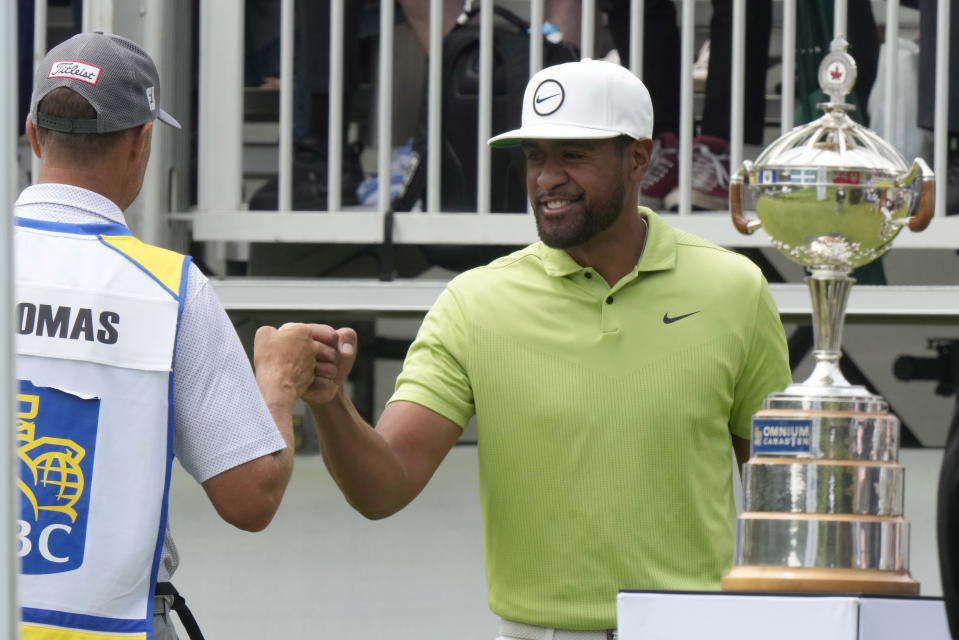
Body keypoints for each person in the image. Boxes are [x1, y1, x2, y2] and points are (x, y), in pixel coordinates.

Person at [301, 59, 792, 638]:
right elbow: (384, 489)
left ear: (639, 158)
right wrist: (331, 401)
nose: (546, 178)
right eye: (536, 156)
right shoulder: (472, 303)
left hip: (701, 627)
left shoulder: (735, 288)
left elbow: (779, 492)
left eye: (573, 155)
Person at [15, 32, 321, 640]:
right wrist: (279, 383)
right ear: (142, 141)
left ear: (32, 133)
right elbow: (250, 497)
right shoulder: (168, 290)